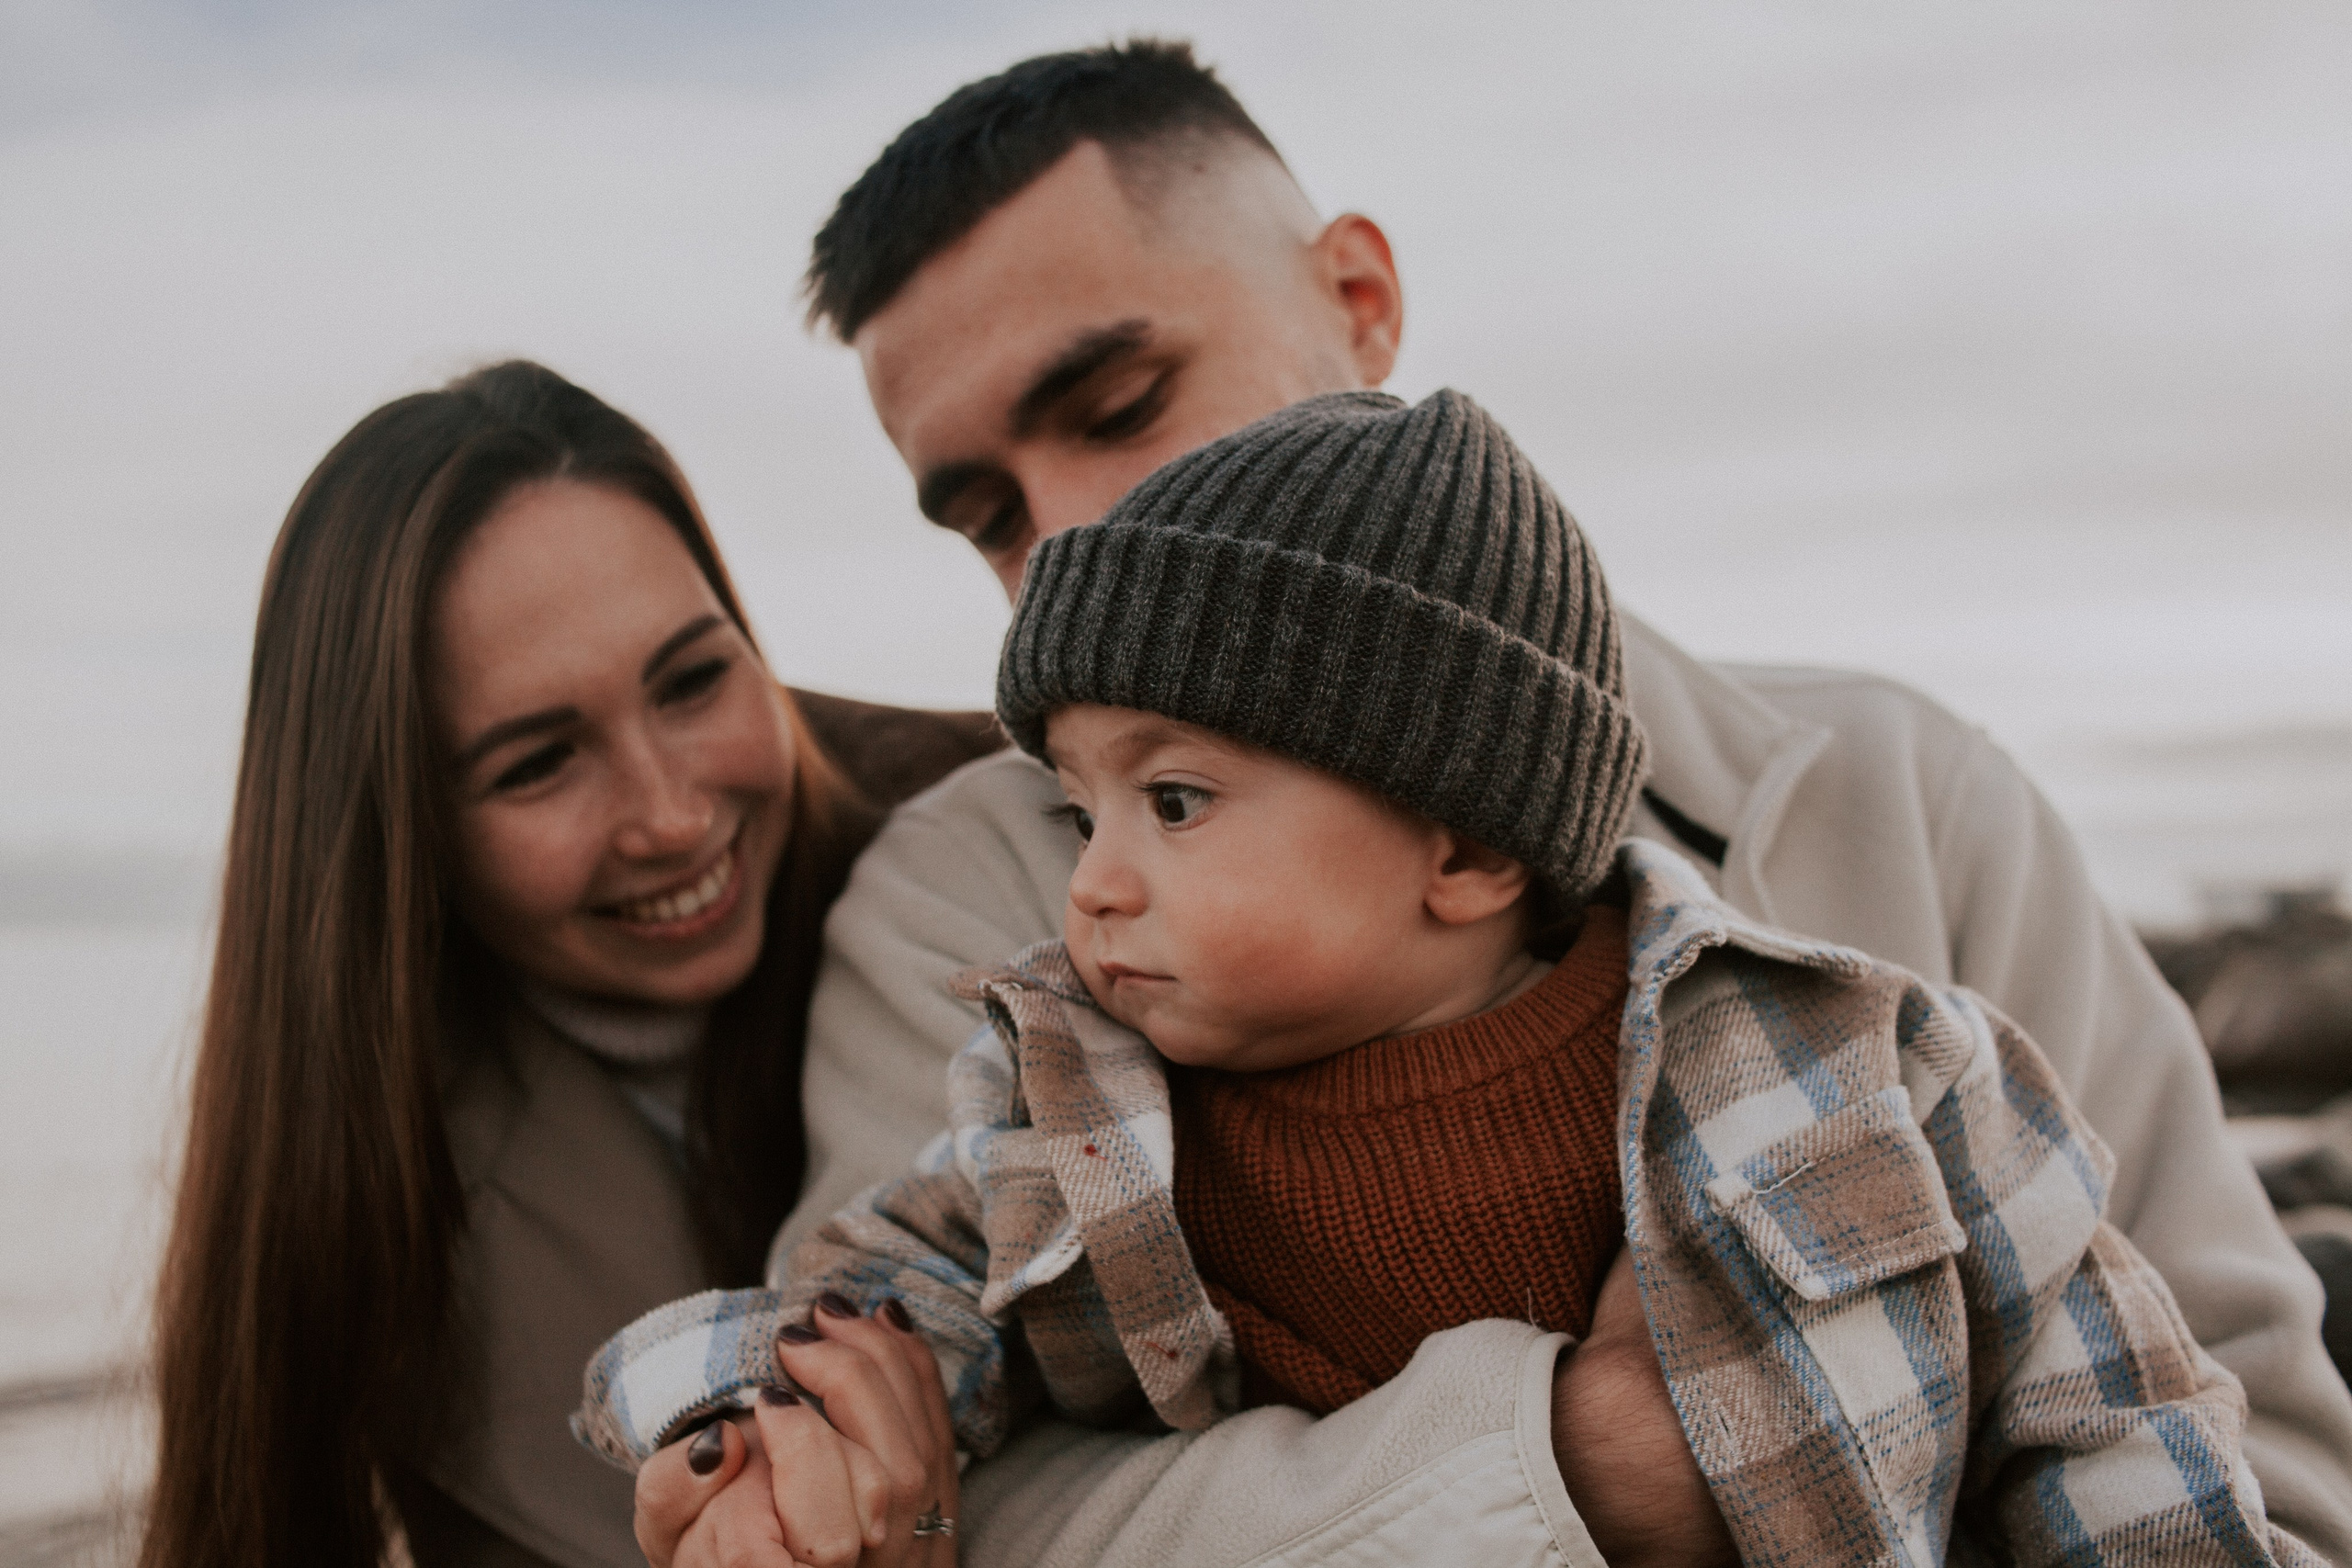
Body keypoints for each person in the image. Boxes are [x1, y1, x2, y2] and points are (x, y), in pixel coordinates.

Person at [634, 39, 2352, 1568]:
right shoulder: (961, 925)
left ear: (1361, 299)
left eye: (1118, 403)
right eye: (988, 513)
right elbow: (926, 1504)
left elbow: (2238, 1447)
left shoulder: (1912, 802)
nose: (1071, 535)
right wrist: (1567, 1473)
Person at [139, 360, 989, 1568]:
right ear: (402, 834)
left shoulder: (1037, 845)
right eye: (537, 763)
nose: (672, 816)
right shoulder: (372, 1196)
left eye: (693, 680)